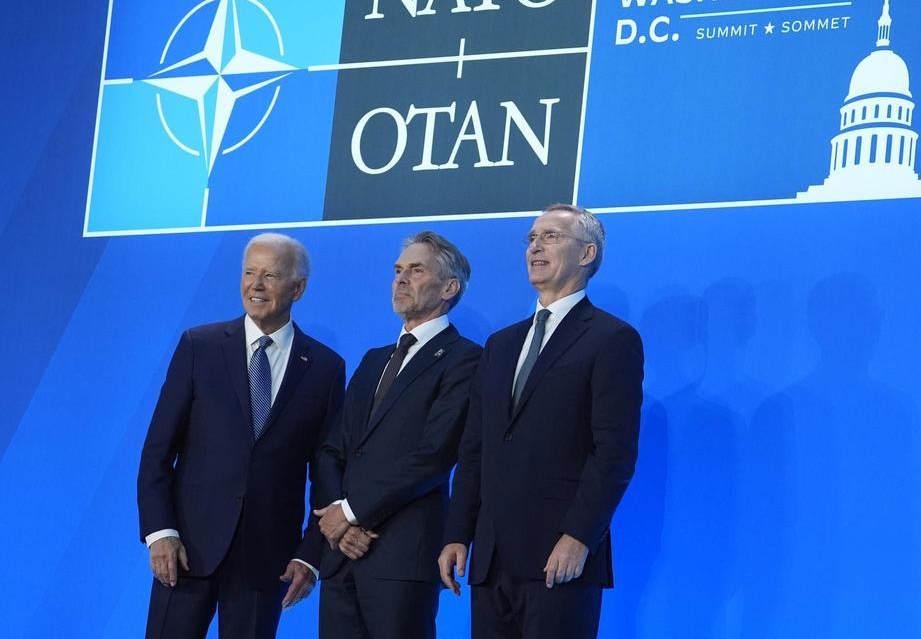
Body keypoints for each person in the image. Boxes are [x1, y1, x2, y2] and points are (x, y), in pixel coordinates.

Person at [439, 204, 644, 639]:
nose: (535, 246)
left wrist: (580, 536)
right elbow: (475, 448)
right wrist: (457, 532)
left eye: (551, 236)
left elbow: (614, 452)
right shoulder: (500, 344)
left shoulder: (611, 338)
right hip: (491, 559)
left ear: (586, 254)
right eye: (531, 238)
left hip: (560, 558)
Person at [137, 233, 346, 638]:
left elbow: (325, 471)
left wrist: (310, 555)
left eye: (270, 275)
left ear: (298, 288)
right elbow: (157, 450)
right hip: (185, 551)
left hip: (267, 558)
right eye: (250, 273)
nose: (256, 285)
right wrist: (160, 531)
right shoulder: (200, 346)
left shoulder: (325, 367)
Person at [314, 231, 482, 639]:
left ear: (449, 287)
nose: (401, 279)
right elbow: (333, 447)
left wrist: (352, 514)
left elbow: (434, 455)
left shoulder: (465, 359)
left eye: (416, 270)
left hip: (402, 556)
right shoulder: (373, 360)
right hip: (341, 555)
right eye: (397, 270)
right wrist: (337, 517)